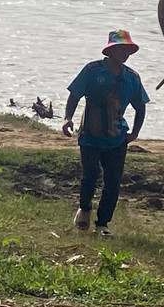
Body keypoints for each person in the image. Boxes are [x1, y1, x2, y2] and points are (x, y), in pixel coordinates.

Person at [61, 30, 149, 238]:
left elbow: (141, 106)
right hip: (90, 135)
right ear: (110, 51)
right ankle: (84, 209)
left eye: (127, 50)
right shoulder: (92, 71)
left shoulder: (132, 77)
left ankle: (103, 224)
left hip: (117, 138)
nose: (124, 54)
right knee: (90, 174)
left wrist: (135, 132)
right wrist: (67, 118)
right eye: (120, 49)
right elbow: (74, 95)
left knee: (113, 181)